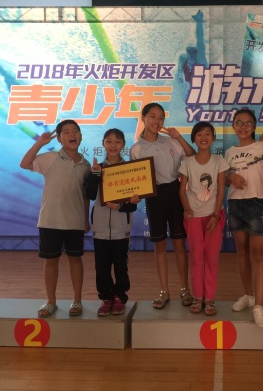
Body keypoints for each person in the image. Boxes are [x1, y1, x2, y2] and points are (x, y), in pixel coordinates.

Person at [19, 120, 91, 318]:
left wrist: (85, 219)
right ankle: (51, 302)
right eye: (66, 132)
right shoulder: (50, 158)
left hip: (75, 220)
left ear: (81, 136)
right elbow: (24, 164)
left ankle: (77, 300)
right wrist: (39, 143)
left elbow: (86, 196)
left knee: (75, 260)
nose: (72, 135)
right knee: (51, 261)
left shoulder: (86, 165)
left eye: (75, 131)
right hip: (50, 220)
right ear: (59, 138)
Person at [129, 103, 196, 309]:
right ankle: (164, 290)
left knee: (179, 244)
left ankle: (184, 289)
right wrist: (134, 195)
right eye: (152, 116)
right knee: (159, 245)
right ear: (143, 118)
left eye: (161, 118)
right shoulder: (136, 149)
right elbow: (136, 182)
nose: (157, 122)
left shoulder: (171, 142)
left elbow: (192, 155)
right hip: (154, 197)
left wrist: (179, 137)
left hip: (175, 193)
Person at [225, 108, 263, 327]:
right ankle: (248, 295)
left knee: (258, 254)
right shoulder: (229, 152)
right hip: (235, 204)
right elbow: (225, 178)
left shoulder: (262, 147)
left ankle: (258, 305)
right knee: (241, 252)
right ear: (233, 126)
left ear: (254, 127)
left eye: (248, 123)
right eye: (239, 122)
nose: (243, 126)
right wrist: (232, 177)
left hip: (256, 203)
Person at [86, 128, 141, 316]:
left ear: (123, 145)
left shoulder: (129, 170)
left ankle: (119, 297)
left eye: (117, 142)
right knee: (101, 267)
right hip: (100, 228)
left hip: (121, 229)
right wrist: (95, 175)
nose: (113, 145)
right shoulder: (97, 168)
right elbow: (90, 194)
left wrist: (122, 206)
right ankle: (106, 298)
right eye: (109, 141)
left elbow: (133, 206)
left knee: (120, 266)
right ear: (103, 144)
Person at [178, 122, 229, 316]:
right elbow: (181, 190)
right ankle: (198, 297)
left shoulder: (219, 161)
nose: (204, 137)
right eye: (199, 134)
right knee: (197, 258)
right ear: (193, 139)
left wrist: (216, 215)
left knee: (211, 259)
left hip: (214, 216)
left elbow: (221, 190)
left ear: (213, 138)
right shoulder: (187, 162)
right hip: (193, 217)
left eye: (208, 134)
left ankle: (209, 299)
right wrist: (187, 209)